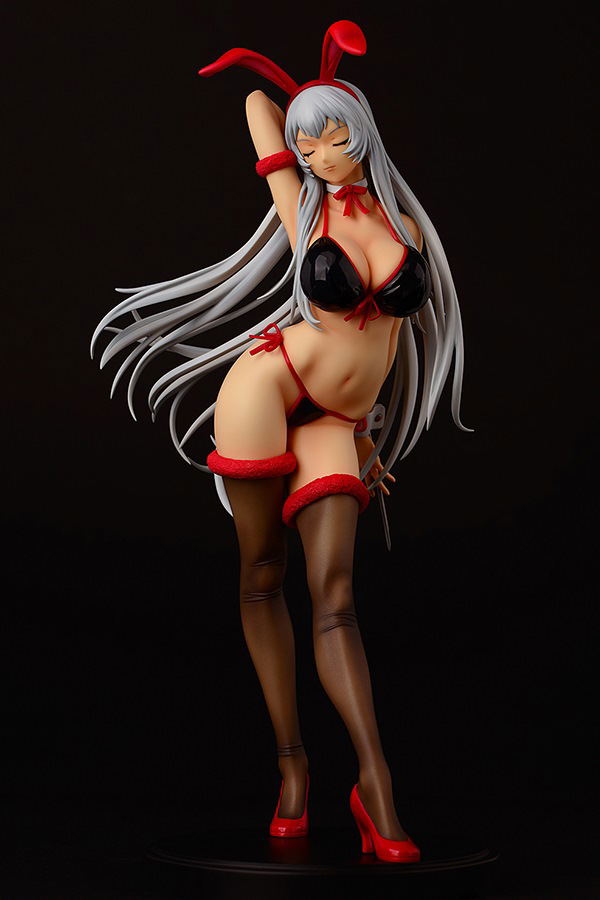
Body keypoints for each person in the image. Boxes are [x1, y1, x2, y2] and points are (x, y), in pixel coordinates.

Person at [91, 20, 471, 863]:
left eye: (337, 137)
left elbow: (392, 346)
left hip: (338, 419)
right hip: (268, 386)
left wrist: (368, 434)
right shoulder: (302, 209)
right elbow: (258, 106)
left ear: (363, 131)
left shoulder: (406, 228)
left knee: (335, 594)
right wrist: (305, 95)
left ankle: (374, 785)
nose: (324, 156)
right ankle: (293, 769)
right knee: (263, 573)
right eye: (310, 145)